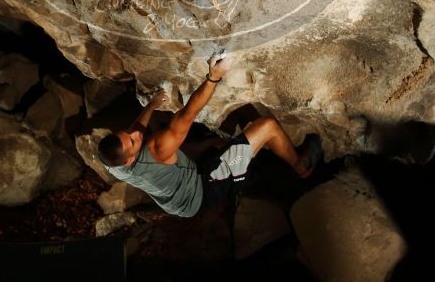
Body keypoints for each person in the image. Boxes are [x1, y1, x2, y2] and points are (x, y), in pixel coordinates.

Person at [97, 53, 322, 218]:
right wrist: (214, 77)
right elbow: (188, 114)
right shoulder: (158, 149)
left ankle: (244, 169)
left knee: (215, 149)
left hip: (176, 199)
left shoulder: (111, 161)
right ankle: (301, 167)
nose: (135, 133)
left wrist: (152, 105)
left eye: (127, 132)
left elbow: (135, 129)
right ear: (129, 160)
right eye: (133, 141)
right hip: (202, 192)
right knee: (267, 127)